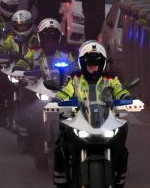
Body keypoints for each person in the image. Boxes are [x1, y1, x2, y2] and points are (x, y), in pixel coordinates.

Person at [54, 41, 134, 187]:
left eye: (96, 65)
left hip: (105, 121)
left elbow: (120, 90)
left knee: (123, 139)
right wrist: (58, 99)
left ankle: (119, 175)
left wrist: (125, 98)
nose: (92, 68)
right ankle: (62, 179)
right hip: (79, 120)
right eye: (89, 65)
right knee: (61, 145)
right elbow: (65, 92)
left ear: (102, 64)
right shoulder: (74, 79)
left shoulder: (110, 79)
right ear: (82, 64)